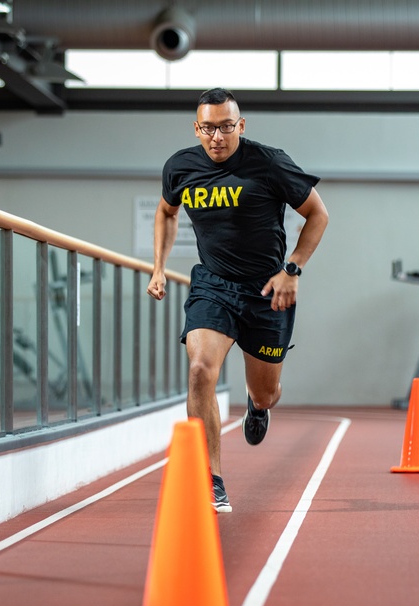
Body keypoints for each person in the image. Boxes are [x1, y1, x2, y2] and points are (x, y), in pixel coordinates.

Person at [147, 87, 329, 513]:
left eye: (226, 127)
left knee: (266, 393)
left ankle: (257, 405)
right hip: (213, 285)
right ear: (197, 129)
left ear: (240, 126)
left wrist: (292, 269)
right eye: (208, 128)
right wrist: (158, 266)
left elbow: (318, 214)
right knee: (199, 370)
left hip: (268, 292)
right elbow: (165, 212)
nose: (217, 137)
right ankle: (210, 479)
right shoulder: (180, 167)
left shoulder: (268, 163)